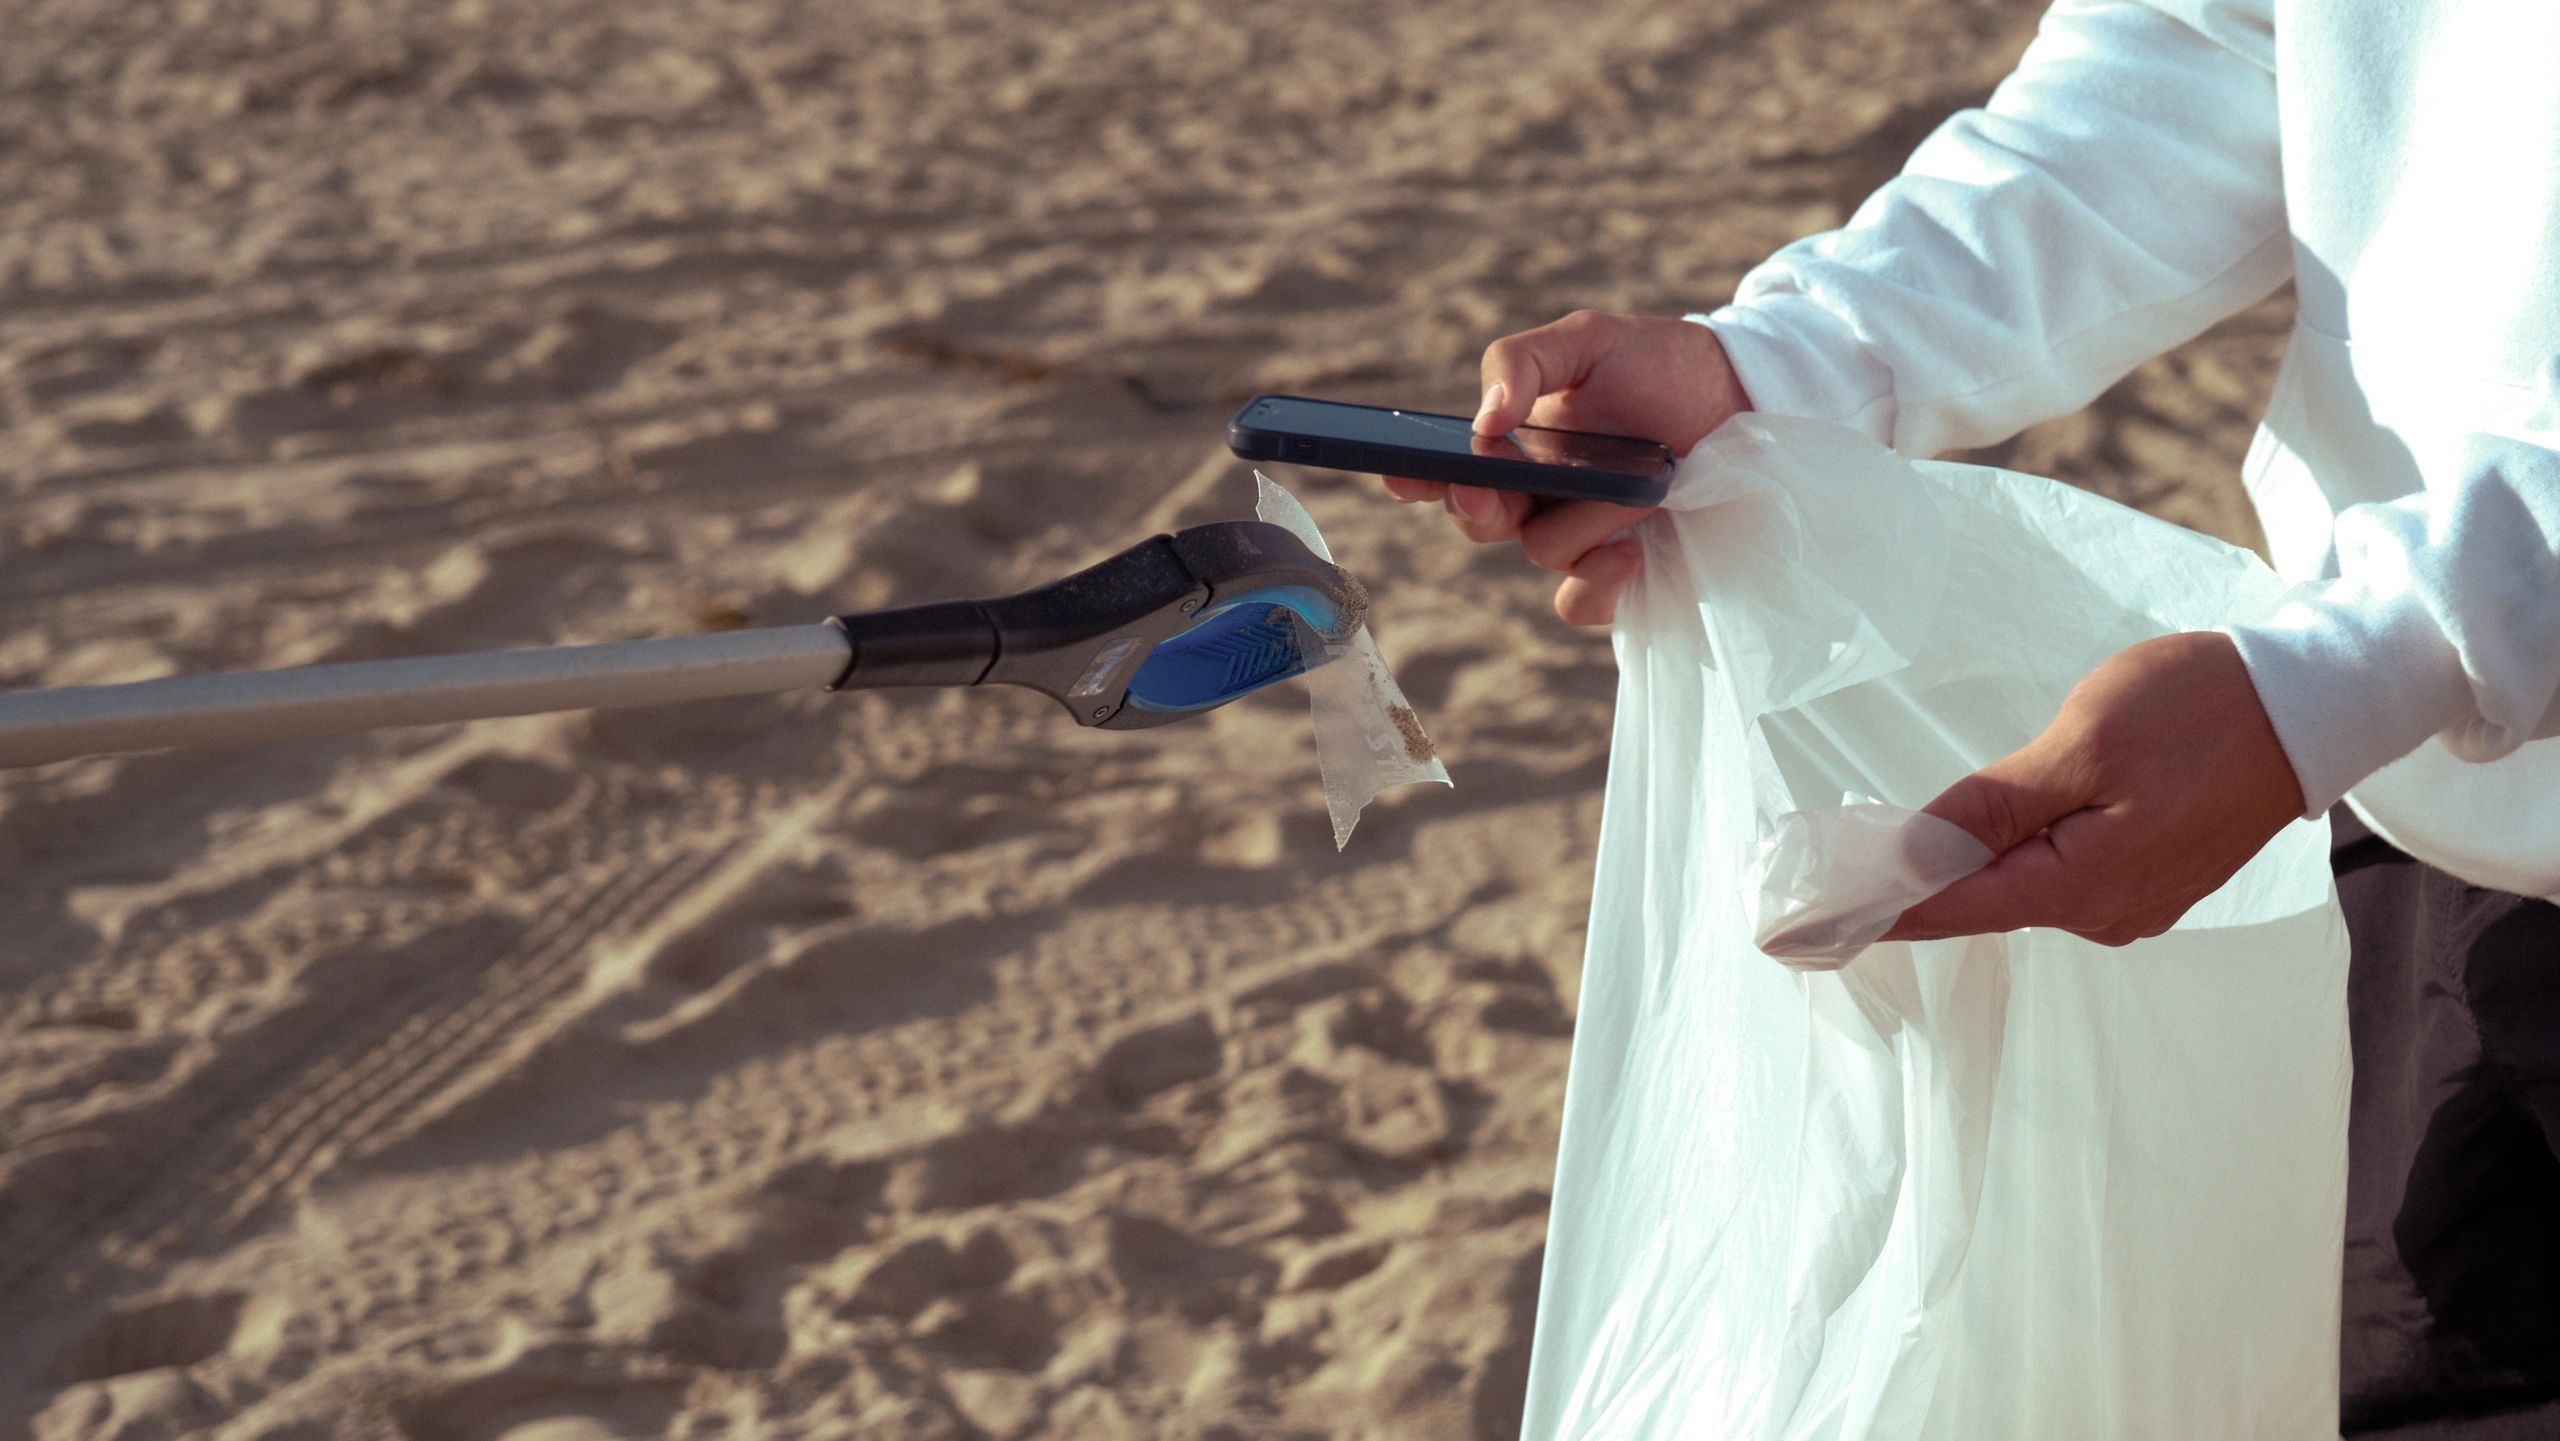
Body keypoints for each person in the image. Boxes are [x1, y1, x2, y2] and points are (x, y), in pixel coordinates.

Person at [1386, 0, 2560, 1429]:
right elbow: (2215, 42)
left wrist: (2338, 678)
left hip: (2362, 715)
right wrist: (1778, 370)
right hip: (2419, 816)